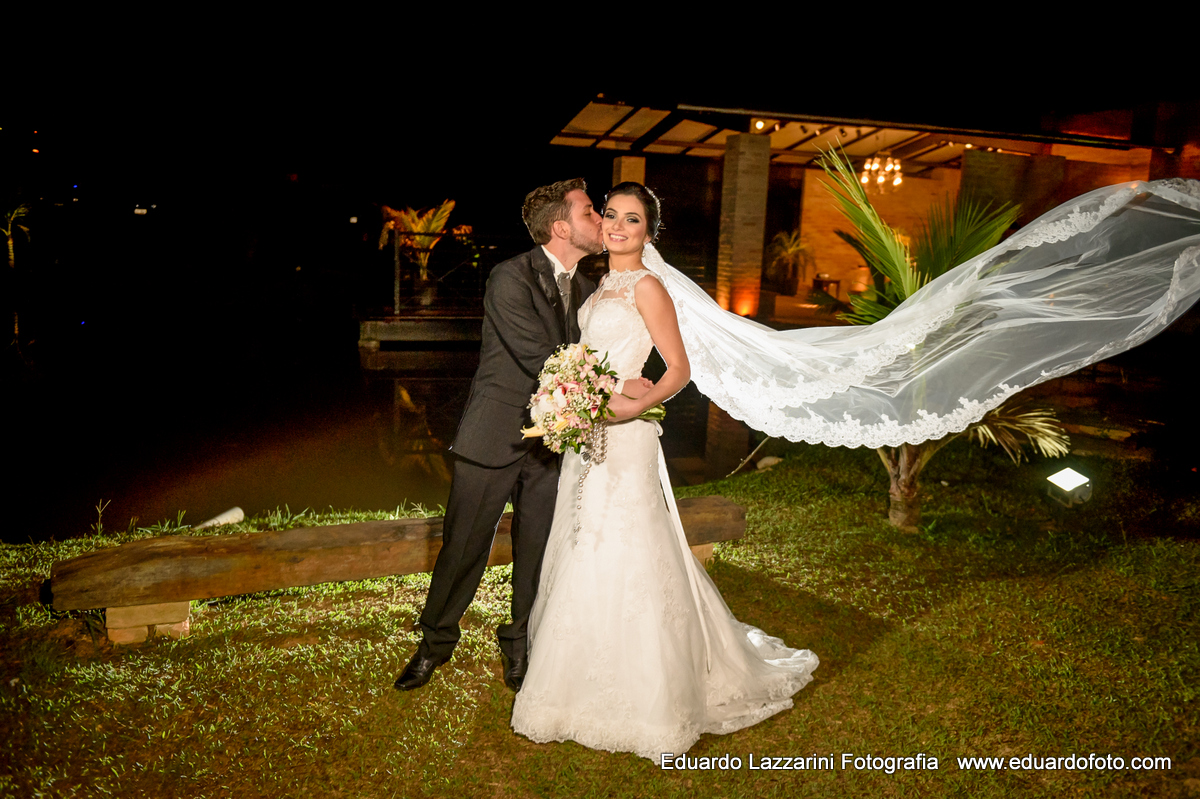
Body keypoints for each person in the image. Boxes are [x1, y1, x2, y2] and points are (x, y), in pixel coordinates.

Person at [510, 183, 820, 762]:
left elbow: (678, 368)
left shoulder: (648, 286)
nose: (617, 225)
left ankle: (648, 692)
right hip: (587, 434)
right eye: (610, 214)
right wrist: (572, 395)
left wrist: (634, 405)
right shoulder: (600, 285)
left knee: (627, 544)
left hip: (624, 437)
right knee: (583, 541)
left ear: (649, 232)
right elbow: (593, 361)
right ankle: (578, 680)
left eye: (632, 219)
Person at [394, 179, 603, 693]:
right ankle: (434, 644)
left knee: (537, 549)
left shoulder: (589, 287)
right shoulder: (510, 277)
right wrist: (611, 392)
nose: (600, 219)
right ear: (561, 227)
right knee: (463, 546)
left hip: (552, 443)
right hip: (495, 434)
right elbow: (542, 356)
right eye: (589, 212)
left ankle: (520, 645)